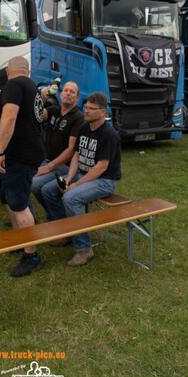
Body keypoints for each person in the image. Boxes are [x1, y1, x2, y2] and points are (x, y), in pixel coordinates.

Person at [42, 92, 121, 266]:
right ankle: (66, 232)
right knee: (47, 190)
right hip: (81, 175)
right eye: (85, 107)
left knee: (70, 198)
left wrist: (75, 185)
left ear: (103, 111)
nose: (86, 111)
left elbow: (101, 167)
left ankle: (84, 248)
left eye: (91, 109)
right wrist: (69, 179)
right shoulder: (85, 128)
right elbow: (76, 156)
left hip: (103, 181)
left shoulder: (109, 134)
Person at [0, 56, 45, 277]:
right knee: (10, 197)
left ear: (8, 70)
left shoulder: (14, 85)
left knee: (19, 203)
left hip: (17, 155)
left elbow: (10, 116)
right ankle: (20, 240)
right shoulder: (32, 87)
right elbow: (40, 116)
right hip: (26, 153)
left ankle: (32, 255)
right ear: (27, 69)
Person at [31, 81, 83, 214]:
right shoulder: (54, 110)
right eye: (65, 90)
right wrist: (42, 97)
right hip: (48, 160)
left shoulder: (78, 118)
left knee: (36, 185)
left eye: (72, 92)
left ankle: (57, 218)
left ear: (77, 98)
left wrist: (48, 167)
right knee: (30, 182)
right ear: (60, 94)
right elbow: (37, 115)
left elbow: (71, 150)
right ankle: (54, 215)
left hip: (65, 166)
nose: (68, 93)